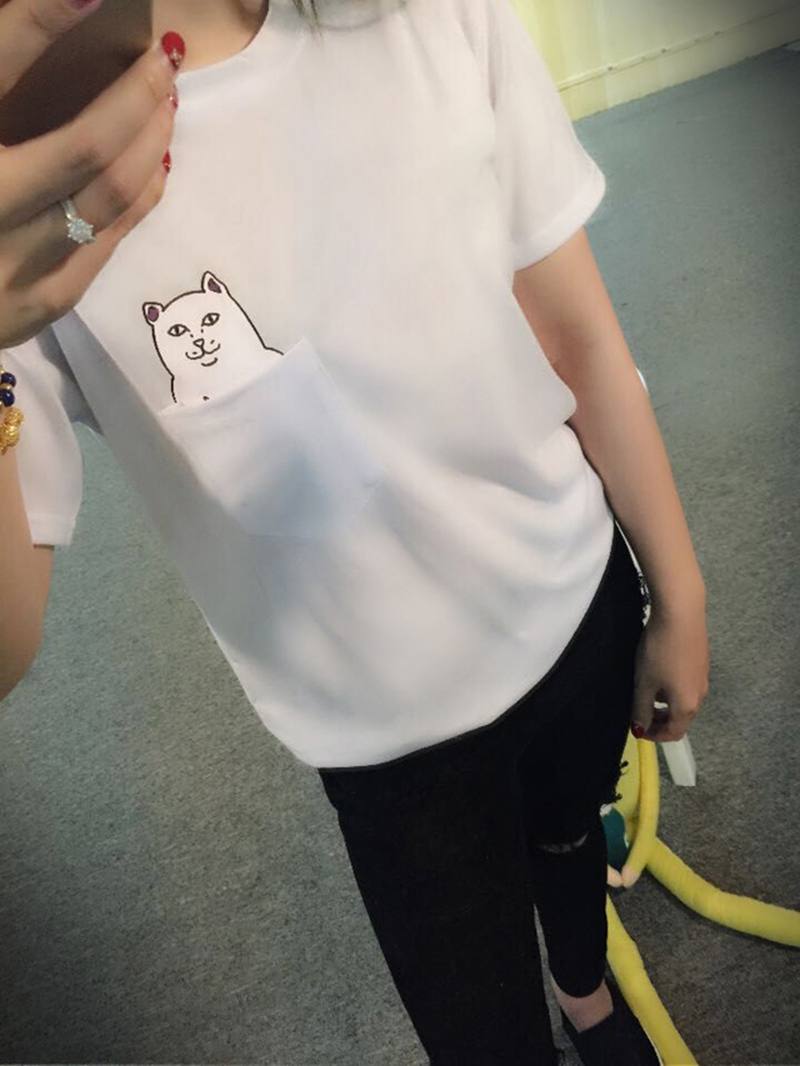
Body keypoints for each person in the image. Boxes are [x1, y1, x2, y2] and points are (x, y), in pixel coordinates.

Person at [0, 0, 710, 1062]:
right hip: (388, 747)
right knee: (478, 1024)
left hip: (573, 599)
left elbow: (578, 336)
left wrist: (678, 593)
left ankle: (583, 984)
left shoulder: (432, 19)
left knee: (568, 836)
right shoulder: (24, 182)